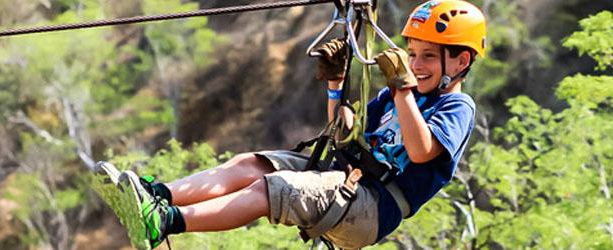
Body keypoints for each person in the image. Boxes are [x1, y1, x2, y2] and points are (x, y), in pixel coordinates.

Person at [96, 0, 486, 248]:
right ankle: (156, 195)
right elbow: (342, 134)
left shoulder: (456, 106)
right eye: (413, 54)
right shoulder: (395, 95)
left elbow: (421, 151)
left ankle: (164, 222)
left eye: (428, 56)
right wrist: (336, 87)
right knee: (252, 164)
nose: (416, 64)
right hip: (346, 178)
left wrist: (402, 88)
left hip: (373, 209)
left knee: (274, 188)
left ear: (461, 61)